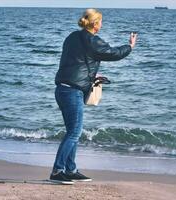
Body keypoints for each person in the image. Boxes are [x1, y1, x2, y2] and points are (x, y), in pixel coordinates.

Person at [50, 8, 137, 184]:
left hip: (62, 88)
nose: (102, 24)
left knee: (72, 131)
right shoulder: (93, 40)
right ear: (95, 24)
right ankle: (57, 171)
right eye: (101, 21)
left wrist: (91, 75)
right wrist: (130, 46)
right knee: (74, 132)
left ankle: (70, 169)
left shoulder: (72, 37)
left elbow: (76, 60)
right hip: (73, 91)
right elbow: (113, 53)